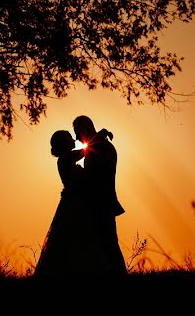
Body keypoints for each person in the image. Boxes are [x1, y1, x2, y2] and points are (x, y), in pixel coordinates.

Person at [73, 114, 127, 275]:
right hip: (99, 202)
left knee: (108, 242)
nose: (76, 137)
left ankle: (119, 276)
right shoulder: (98, 145)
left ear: (84, 129)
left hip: (101, 202)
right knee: (103, 243)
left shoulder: (100, 147)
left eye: (77, 132)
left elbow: (97, 176)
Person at [33, 130, 91, 279]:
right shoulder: (66, 158)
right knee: (71, 238)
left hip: (73, 202)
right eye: (70, 138)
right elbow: (86, 151)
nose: (74, 140)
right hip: (73, 204)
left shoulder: (65, 158)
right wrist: (99, 137)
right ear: (64, 143)